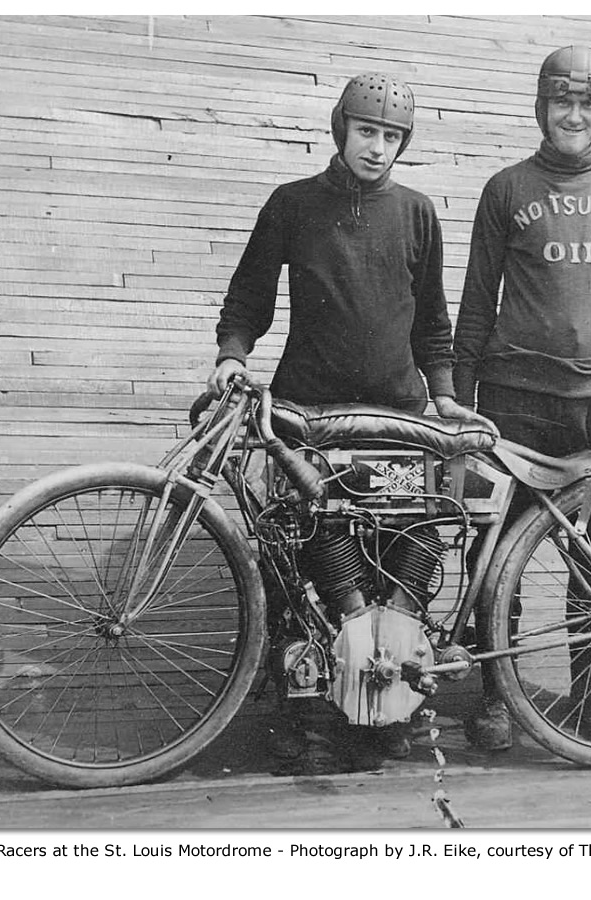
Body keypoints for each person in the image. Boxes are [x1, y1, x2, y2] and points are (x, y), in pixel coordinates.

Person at [207, 73, 487, 773]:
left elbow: (433, 322)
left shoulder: (419, 213)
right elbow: (248, 297)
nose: (377, 148)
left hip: (398, 417)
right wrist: (232, 356)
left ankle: (392, 716)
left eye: (391, 137)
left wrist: (445, 394)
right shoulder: (292, 205)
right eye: (367, 132)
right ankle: (309, 721)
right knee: (304, 561)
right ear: (342, 130)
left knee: (400, 565)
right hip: (309, 415)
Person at [453, 45, 591, 748]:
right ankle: (494, 697)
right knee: (496, 551)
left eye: (589, 105)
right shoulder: (506, 189)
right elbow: (476, 304)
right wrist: (460, 399)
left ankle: (590, 697)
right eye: (562, 102)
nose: (574, 116)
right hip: (514, 397)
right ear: (541, 107)